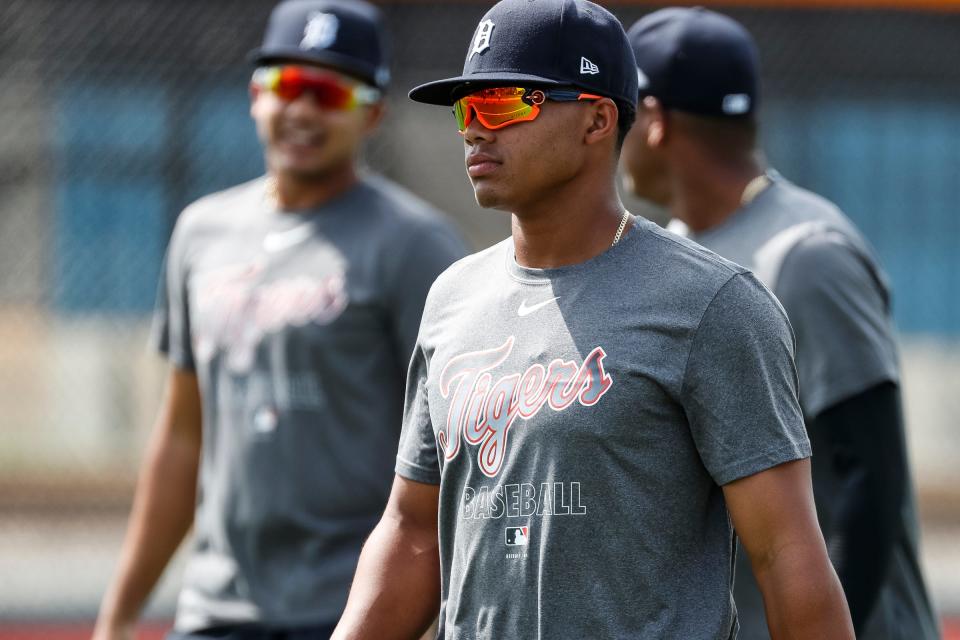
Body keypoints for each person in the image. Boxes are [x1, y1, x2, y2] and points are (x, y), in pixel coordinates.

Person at [331, 0, 854, 638]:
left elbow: (786, 554)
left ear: (597, 118)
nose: (474, 128)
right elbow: (413, 532)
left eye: (503, 102)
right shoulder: (452, 299)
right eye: (467, 108)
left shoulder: (712, 304)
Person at [92, 0, 466, 638]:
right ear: (253, 96)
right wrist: (121, 610)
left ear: (372, 112)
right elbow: (184, 434)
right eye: (286, 86)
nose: (301, 110)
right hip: (216, 610)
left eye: (326, 92)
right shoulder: (200, 232)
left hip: (353, 609)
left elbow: (457, 449)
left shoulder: (413, 244)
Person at [620, 7, 941, 639]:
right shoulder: (675, 251)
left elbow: (864, 482)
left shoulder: (806, 254)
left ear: (655, 123)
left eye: (624, 113)